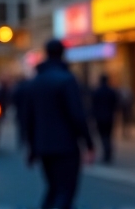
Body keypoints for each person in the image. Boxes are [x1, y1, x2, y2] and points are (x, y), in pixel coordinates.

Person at [26, 39, 95, 209]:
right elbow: (77, 115)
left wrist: (32, 147)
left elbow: (29, 118)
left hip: (44, 145)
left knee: (53, 189)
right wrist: (88, 143)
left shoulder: (36, 81)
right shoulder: (67, 79)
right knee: (65, 192)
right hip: (66, 146)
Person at [91, 74, 120, 163]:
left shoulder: (97, 92)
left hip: (100, 117)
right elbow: (115, 104)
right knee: (108, 135)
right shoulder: (111, 91)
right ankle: (108, 151)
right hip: (109, 116)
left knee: (103, 135)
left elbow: (94, 105)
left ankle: (107, 152)